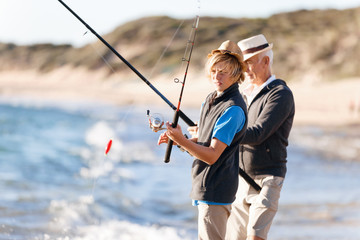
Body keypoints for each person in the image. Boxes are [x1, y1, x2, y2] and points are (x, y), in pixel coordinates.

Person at [158, 40, 248, 240]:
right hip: (205, 186)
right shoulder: (210, 99)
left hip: (216, 189)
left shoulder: (232, 109)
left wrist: (182, 141)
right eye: (214, 70)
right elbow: (203, 142)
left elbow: (212, 155)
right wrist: (177, 140)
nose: (217, 76)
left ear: (236, 73)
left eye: (223, 71)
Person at [225, 34, 295, 240]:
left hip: (268, 179)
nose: (245, 70)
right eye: (242, 64)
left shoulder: (280, 94)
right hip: (240, 179)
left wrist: (222, 134)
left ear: (266, 61)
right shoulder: (243, 94)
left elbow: (258, 133)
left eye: (249, 64)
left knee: (255, 237)